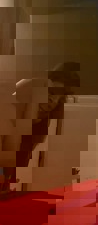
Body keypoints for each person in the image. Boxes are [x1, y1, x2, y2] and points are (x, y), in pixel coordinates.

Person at [0, 61, 80, 193]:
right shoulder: (33, 88)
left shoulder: (48, 111)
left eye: (58, 96)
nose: (53, 100)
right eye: (51, 93)